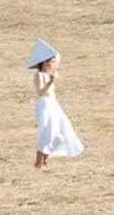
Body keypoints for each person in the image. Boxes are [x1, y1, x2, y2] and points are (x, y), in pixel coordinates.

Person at [28, 40, 84, 169]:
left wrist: (52, 77)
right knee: (48, 132)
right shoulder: (39, 75)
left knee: (60, 132)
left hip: (53, 105)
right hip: (45, 105)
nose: (52, 64)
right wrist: (51, 82)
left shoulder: (50, 74)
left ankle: (42, 161)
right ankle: (38, 162)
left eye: (53, 61)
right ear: (44, 62)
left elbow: (57, 57)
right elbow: (41, 92)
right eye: (50, 61)